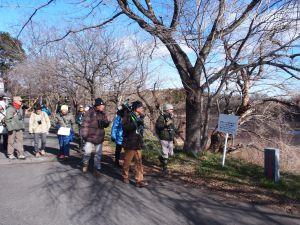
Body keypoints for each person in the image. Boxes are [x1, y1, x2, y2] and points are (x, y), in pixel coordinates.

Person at [122, 100, 148, 188]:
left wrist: (142, 140)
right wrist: (135, 123)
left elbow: (141, 131)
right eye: (141, 107)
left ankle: (139, 180)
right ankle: (125, 176)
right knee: (127, 161)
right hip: (130, 142)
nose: (142, 109)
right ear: (136, 109)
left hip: (138, 142)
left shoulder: (141, 117)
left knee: (139, 162)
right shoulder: (128, 116)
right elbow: (125, 128)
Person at [81, 98, 110, 176]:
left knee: (98, 154)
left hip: (99, 137)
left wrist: (106, 123)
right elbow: (85, 124)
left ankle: (96, 169)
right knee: (87, 152)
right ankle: (85, 164)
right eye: (101, 105)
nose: (102, 107)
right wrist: (84, 135)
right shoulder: (89, 112)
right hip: (89, 137)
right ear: (97, 105)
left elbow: (107, 123)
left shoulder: (103, 113)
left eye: (103, 105)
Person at [155, 103, 176, 175]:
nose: (172, 110)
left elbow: (172, 128)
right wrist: (166, 124)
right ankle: (165, 168)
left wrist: (175, 134)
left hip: (170, 137)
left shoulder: (171, 117)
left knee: (171, 153)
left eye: (172, 109)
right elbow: (158, 126)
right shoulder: (161, 117)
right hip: (163, 137)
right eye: (171, 109)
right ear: (167, 110)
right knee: (165, 153)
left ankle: (161, 158)